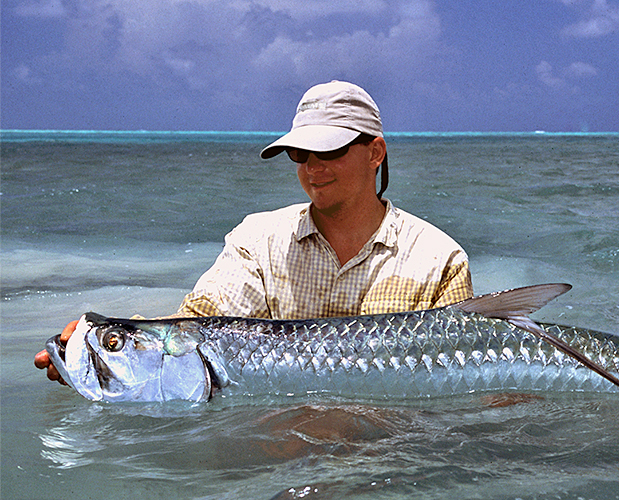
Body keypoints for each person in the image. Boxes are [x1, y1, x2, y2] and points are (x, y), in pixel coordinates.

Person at [35, 80, 473, 385]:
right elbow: (196, 328)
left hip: (387, 455)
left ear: (375, 151)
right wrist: (116, 345)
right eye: (299, 153)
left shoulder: (440, 259)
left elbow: (461, 379)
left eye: (330, 150)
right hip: (281, 447)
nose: (312, 168)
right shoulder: (258, 240)